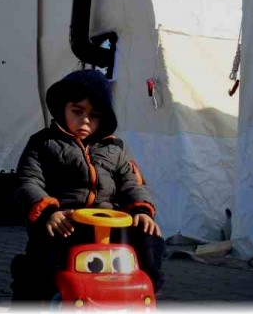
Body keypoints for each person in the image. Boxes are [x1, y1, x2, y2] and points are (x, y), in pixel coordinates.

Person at [9, 69, 164, 302]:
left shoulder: (115, 149)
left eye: (94, 115)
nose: (85, 120)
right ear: (64, 108)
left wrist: (141, 211)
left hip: (109, 223)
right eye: (77, 112)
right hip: (66, 220)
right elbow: (29, 181)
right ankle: (35, 298)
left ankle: (146, 289)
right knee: (40, 263)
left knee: (148, 235)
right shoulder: (44, 142)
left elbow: (133, 182)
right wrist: (50, 212)